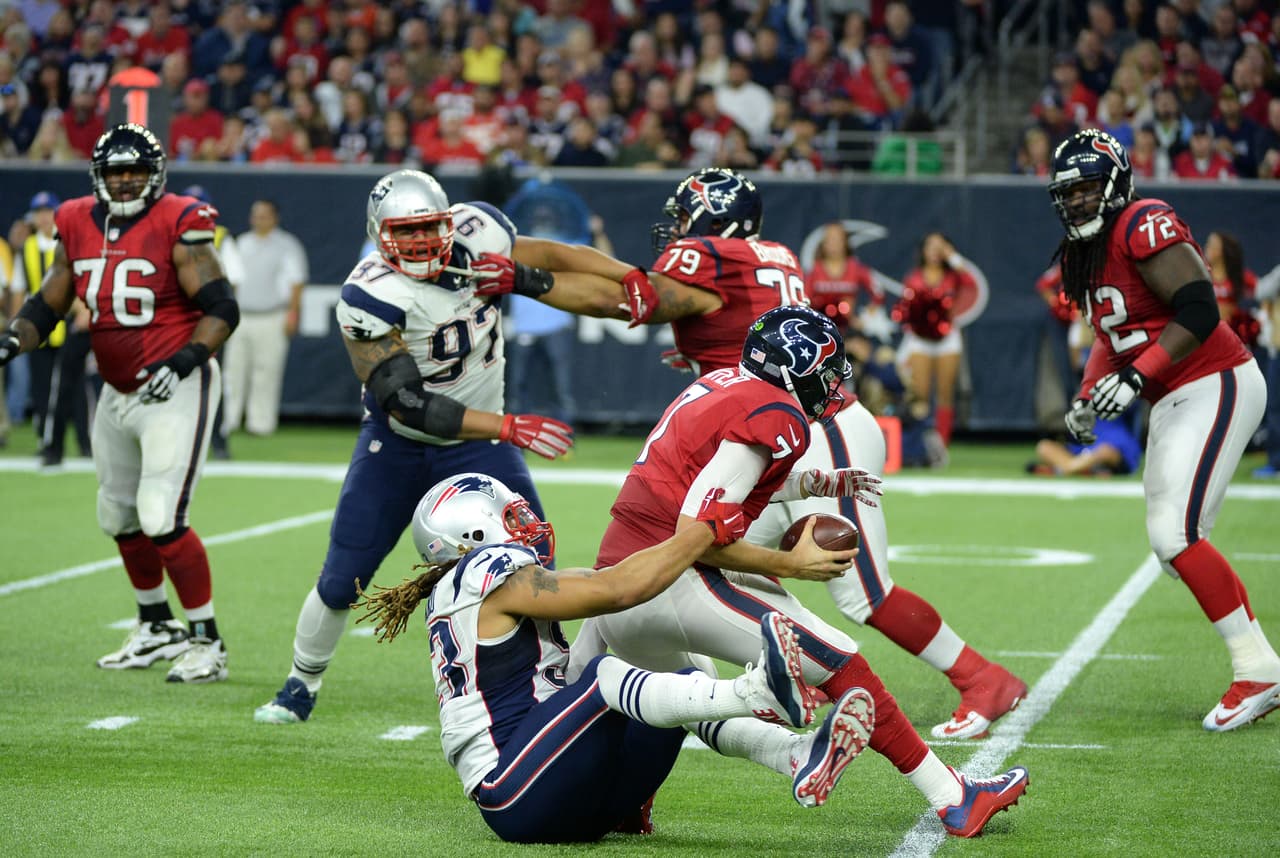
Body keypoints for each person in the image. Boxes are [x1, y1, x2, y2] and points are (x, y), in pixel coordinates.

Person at [477, 168, 1028, 743]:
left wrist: (522, 277)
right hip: (763, 432)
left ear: (717, 221)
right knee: (713, 563)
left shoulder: (710, 258)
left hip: (810, 425)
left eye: (690, 217)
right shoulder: (769, 255)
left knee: (861, 590)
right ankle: (588, 689)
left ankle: (981, 678)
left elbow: (628, 297)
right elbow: (727, 325)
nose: (680, 232)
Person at [568, 306, 1029, 838]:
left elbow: (720, 476)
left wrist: (813, 484)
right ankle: (954, 797)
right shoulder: (774, 412)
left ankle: (630, 801)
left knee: (691, 697)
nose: (831, 388)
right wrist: (787, 564)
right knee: (839, 658)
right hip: (665, 578)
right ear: (794, 368)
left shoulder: (722, 381)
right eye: (826, 374)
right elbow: (696, 534)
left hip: (621, 583)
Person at [351, 472, 878, 842]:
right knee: (609, 671)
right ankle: (754, 692)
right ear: (474, 533)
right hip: (513, 790)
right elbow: (620, 587)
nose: (527, 520)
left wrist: (721, 546)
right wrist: (701, 534)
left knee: (637, 641)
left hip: (574, 789)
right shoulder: (484, 573)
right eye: (511, 514)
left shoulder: (479, 581)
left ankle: (794, 755)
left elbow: (618, 585)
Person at [254, 169, 604, 724]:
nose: (420, 242)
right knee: (345, 572)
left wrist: (629, 280)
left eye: (428, 228)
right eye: (405, 231)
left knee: (535, 560)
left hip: (480, 443)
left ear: (448, 222)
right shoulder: (370, 291)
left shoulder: (480, 229)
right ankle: (301, 683)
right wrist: (508, 425)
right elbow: (406, 402)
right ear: (380, 233)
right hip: (400, 443)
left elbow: (557, 256)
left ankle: (550, 679)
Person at [1049, 128, 1280, 730]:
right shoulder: (1085, 251)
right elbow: (1110, 336)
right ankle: (1260, 663)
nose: (1076, 203)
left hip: (1214, 379)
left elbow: (1202, 308)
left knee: (1174, 533)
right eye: (1067, 193)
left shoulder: (1142, 220)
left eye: (1087, 189)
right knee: (1176, 545)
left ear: (1117, 183)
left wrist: (1136, 377)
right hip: (1174, 396)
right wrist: (1085, 397)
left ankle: (1258, 669)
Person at [0, 123, 240, 683]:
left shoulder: (180, 220)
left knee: (161, 514)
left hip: (174, 385)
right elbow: (50, 300)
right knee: (117, 513)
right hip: (115, 388)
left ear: (156, 175)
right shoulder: (76, 219)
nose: (126, 180)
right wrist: (14, 338)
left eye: (135, 171)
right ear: (99, 176)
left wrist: (182, 361)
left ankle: (207, 640)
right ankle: (156, 625)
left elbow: (222, 307)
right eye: (116, 171)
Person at [10, 190, 93, 465]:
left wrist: (84, 311)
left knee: (76, 387)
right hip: (39, 328)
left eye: (49, 212)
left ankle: (85, 442)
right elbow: (20, 291)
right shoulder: (28, 248)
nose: (45, 218)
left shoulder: (71, 242)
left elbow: (83, 280)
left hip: (70, 325)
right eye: (40, 213)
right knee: (43, 389)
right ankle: (48, 443)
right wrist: (16, 329)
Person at [223, 198, 306, 437]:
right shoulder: (241, 243)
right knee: (233, 370)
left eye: (264, 215)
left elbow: (296, 281)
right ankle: (228, 420)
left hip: (272, 315)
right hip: (242, 315)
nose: (258, 219)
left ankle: (260, 423)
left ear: (274, 217)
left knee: (266, 371)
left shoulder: (287, 245)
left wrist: (292, 313)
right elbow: (232, 282)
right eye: (255, 214)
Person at [892, 231, 980, 456]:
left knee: (945, 393)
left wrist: (952, 256)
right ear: (923, 250)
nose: (934, 250)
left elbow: (971, 283)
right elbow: (906, 308)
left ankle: (941, 445)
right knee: (920, 394)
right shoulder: (914, 276)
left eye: (939, 246)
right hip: (920, 340)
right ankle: (920, 443)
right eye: (930, 245)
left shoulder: (953, 276)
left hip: (947, 339)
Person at [181, 185, 245, 460]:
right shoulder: (170, 235)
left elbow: (235, 283)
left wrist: (218, 315)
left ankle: (218, 440)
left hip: (209, 321)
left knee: (212, 379)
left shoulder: (221, 237)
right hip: (178, 322)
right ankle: (181, 440)